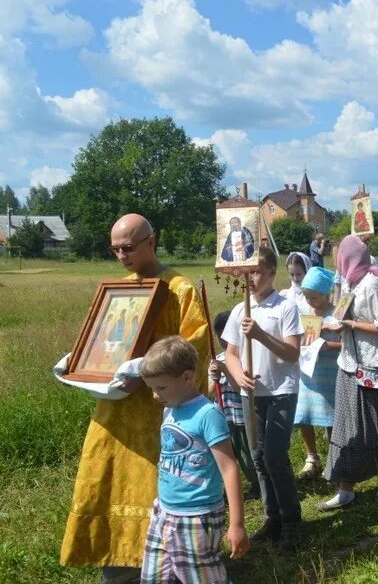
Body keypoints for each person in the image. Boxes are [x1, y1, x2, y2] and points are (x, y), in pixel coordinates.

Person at [61, 214, 210, 584]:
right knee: (106, 482)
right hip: (114, 413)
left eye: (127, 247)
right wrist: (78, 360)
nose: (120, 256)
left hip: (158, 417)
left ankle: (162, 568)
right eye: (114, 249)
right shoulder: (119, 290)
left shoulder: (179, 290)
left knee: (152, 493)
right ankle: (115, 565)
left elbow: (196, 348)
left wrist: (143, 367)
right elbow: (103, 344)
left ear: (151, 242)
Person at [139, 337, 249, 583]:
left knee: (201, 577)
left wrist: (237, 524)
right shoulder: (170, 408)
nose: (156, 396)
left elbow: (229, 469)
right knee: (154, 577)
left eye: (162, 388)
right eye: (152, 388)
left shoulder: (207, 415)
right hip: (164, 511)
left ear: (187, 377)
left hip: (197, 517)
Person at [222, 246, 303, 550]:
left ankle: (293, 521)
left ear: (271, 273)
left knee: (275, 456)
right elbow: (230, 353)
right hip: (251, 393)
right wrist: (238, 374)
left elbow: (292, 352)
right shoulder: (240, 310)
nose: (251, 279)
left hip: (281, 390)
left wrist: (260, 336)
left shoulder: (285, 307)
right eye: (247, 273)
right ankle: (274, 518)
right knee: (257, 457)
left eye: (256, 272)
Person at [317, 235, 378, 511]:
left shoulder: (372, 284)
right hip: (348, 364)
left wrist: (351, 323)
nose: (338, 261)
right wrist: (334, 325)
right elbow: (342, 318)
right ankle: (346, 487)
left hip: (373, 365)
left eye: (342, 256)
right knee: (345, 426)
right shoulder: (349, 283)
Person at [292, 267, 340, 480]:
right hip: (308, 375)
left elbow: (347, 343)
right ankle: (312, 456)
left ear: (326, 294)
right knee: (304, 414)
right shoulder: (305, 314)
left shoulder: (336, 314)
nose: (310, 301)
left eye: (314, 297)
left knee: (331, 416)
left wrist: (327, 345)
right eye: (307, 297)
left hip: (330, 373)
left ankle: (335, 456)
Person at [209, 311, 260, 501]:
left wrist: (225, 370)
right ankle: (228, 489)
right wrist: (215, 376)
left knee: (247, 455)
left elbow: (241, 389)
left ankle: (257, 484)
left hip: (241, 416)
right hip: (223, 416)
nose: (224, 341)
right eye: (220, 337)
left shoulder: (245, 358)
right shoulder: (217, 359)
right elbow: (209, 390)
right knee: (225, 455)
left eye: (227, 335)